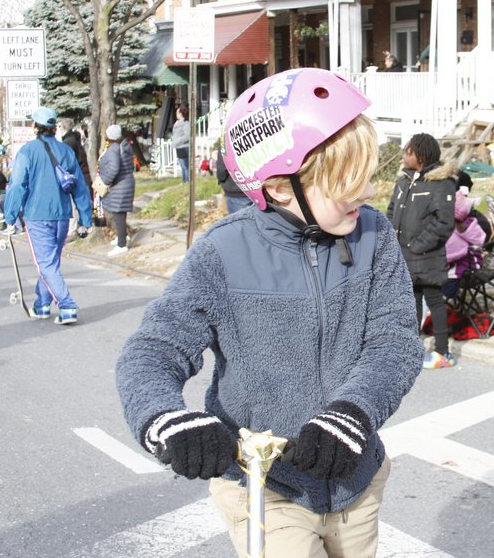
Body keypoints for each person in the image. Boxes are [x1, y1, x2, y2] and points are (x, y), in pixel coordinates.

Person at [116, 68, 423, 558]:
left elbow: (395, 341)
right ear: (281, 188)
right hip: (265, 483)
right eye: (348, 182)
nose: (366, 192)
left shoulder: (374, 234)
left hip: (354, 477)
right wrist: (164, 418)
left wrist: (352, 414)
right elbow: (152, 352)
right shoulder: (223, 253)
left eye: (368, 175)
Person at [3, 107, 93, 325]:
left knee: (46, 263)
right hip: (62, 215)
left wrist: (10, 216)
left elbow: (17, 186)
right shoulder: (66, 151)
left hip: (37, 214)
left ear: (35, 127)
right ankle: (42, 305)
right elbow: (80, 186)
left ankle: (67, 305)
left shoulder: (27, 152)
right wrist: (85, 218)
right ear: (54, 128)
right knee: (51, 262)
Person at [387, 133, 457, 369]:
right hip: (404, 255)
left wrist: (419, 244)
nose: (404, 155)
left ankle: (443, 352)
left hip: (427, 256)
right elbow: (391, 211)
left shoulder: (441, 183)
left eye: (409, 152)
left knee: (435, 301)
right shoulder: (404, 180)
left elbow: (444, 223)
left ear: (422, 156)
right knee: (412, 301)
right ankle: (412, 348)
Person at [97, 124, 135, 258]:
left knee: (118, 214)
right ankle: (122, 237)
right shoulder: (125, 145)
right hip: (126, 183)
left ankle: (121, 245)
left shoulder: (113, 149)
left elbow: (113, 168)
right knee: (120, 214)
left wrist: (105, 181)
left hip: (119, 185)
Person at [215, 144, 253, 214]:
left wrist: (221, 180)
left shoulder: (226, 139)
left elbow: (222, 168)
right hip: (259, 188)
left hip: (237, 191)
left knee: (240, 223)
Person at [172, 105, 191, 183]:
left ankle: (187, 182)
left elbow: (187, 136)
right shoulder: (177, 123)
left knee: (185, 166)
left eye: (177, 112)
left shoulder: (185, 123)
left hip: (184, 147)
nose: (176, 114)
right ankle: (184, 181)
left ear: (181, 113)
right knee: (182, 166)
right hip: (178, 147)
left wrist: (178, 141)